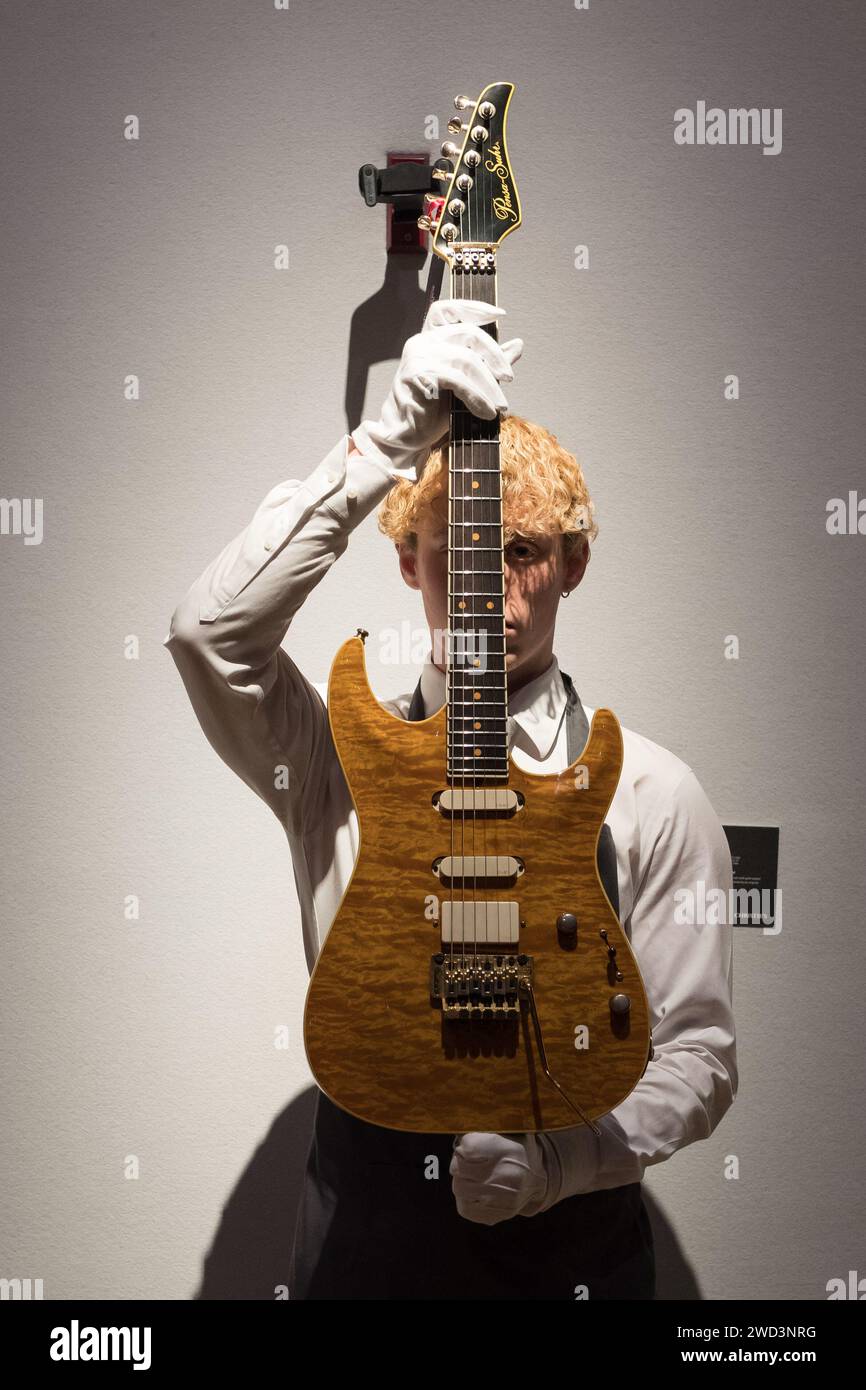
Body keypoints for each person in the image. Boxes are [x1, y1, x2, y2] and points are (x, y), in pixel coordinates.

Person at [164, 298, 737, 1300]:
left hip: (574, 1248)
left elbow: (697, 1052)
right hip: (364, 1239)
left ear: (570, 564)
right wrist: (388, 437)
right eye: (456, 550)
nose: (490, 586)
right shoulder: (335, 760)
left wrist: (566, 1160)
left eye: (520, 552)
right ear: (406, 561)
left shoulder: (652, 790)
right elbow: (209, 635)